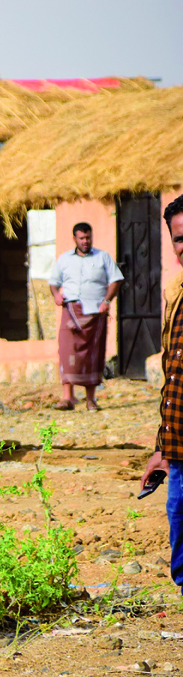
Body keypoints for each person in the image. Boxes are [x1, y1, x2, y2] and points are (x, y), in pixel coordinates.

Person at [141, 192, 183, 599]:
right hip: (180, 448)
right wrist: (161, 449)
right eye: (179, 238)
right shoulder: (175, 292)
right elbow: (174, 378)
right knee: (179, 520)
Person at [48, 222, 124, 410]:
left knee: (93, 355)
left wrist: (106, 301)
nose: (85, 241)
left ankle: (91, 400)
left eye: (88, 237)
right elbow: (54, 282)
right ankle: (68, 398)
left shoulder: (102, 257)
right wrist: (57, 294)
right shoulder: (64, 259)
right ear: (74, 239)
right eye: (81, 238)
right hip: (71, 312)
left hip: (95, 313)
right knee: (67, 353)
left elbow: (116, 280)